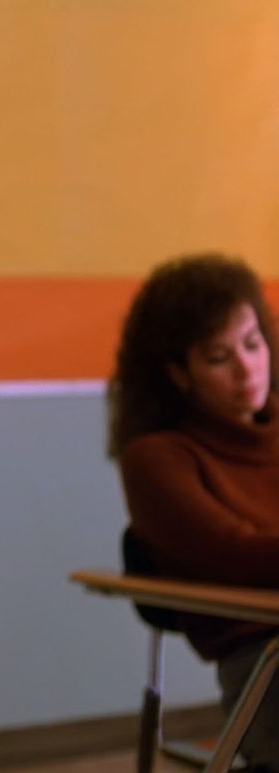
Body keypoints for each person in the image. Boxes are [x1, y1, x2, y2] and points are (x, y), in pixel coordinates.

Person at [108, 253, 279, 771]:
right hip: (264, 656)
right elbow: (232, 554)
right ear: (179, 373)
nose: (247, 368)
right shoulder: (157, 457)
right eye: (218, 357)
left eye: (252, 344)